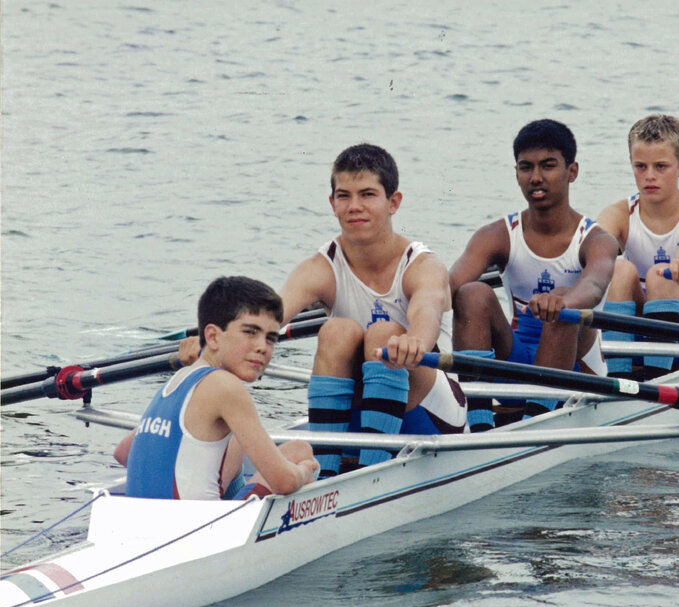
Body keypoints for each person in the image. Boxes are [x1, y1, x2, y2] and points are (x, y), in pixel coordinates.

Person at [278, 143, 467, 474]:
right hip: (363, 409)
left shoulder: (422, 264)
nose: (354, 207)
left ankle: (370, 474)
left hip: (431, 414)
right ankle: (326, 473)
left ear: (393, 202)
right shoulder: (320, 267)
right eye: (344, 196)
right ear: (332, 203)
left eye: (367, 195)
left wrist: (416, 342)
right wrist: (216, 343)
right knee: (336, 332)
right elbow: (269, 314)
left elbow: (428, 311)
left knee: (383, 336)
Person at [449, 119, 619, 429]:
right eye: (526, 167)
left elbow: (594, 284)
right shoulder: (496, 235)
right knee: (471, 294)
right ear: (516, 173)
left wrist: (562, 303)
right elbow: (448, 286)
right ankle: (479, 427)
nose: (536, 177)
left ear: (572, 171)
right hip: (517, 364)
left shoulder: (597, 240)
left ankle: (537, 423)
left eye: (548, 166)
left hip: (578, 372)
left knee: (565, 303)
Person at [115, 276, 320, 499]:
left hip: (145, 523)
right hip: (202, 527)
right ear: (212, 337)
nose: (262, 347)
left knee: (231, 444)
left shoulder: (180, 377)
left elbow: (123, 453)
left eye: (271, 338)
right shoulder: (226, 386)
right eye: (250, 332)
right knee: (301, 453)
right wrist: (304, 472)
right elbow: (284, 481)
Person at [597, 114, 679, 380]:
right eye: (640, 167)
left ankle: (656, 382)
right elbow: (593, 253)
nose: (649, 177)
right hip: (649, 322)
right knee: (618, 269)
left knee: (661, 274)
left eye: (661, 166)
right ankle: (620, 381)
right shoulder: (618, 213)